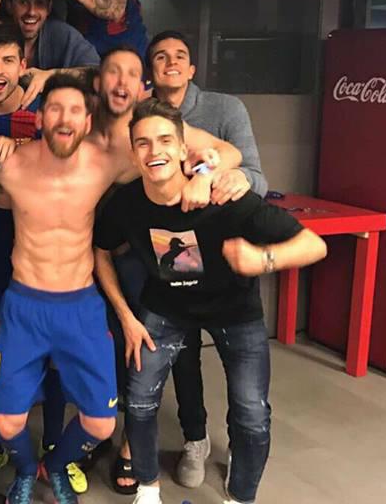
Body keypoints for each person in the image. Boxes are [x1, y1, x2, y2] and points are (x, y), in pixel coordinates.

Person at [92, 98, 327, 504]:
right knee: (141, 399)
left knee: (251, 413)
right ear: (133, 154)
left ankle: (240, 497)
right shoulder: (127, 203)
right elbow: (101, 251)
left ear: (184, 149)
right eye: (143, 143)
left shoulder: (224, 196)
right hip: (165, 309)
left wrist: (263, 260)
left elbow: (314, 245)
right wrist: (126, 316)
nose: (154, 151)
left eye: (165, 140)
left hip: (235, 312)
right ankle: (147, 491)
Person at [89, 45, 253, 494]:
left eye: (132, 74)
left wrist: (203, 175)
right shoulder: (87, 128)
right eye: (112, 73)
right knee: (121, 345)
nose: (122, 82)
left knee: (179, 349)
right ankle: (114, 431)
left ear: (144, 86)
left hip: (159, 252)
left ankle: (185, 437)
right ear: (99, 82)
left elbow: (230, 153)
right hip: (104, 254)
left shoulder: (157, 128)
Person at [0, 74, 122, 504]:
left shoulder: (105, 162)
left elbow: (168, 157)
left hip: (81, 306)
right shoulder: (11, 163)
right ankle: (25, 469)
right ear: (39, 117)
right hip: (25, 305)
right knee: (7, 422)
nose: (64, 118)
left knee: (101, 424)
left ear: (87, 121)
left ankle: (55, 465)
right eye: (55, 108)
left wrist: (214, 167)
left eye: (75, 110)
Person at [0, 25, 84, 495]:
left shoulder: (44, 114)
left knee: (53, 355)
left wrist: (20, 154)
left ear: (22, 66)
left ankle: (53, 450)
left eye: (8, 60)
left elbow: (65, 172)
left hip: (45, 255)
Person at [146, 29, 271, 488]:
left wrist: (218, 175)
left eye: (180, 55)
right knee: (183, 355)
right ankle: (194, 438)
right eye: (161, 56)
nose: (171, 62)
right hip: (174, 247)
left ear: (192, 68)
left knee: (241, 361)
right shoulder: (145, 115)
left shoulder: (225, 108)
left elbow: (256, 176)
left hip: (225, 251)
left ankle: (241, 444)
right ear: (150, 70)